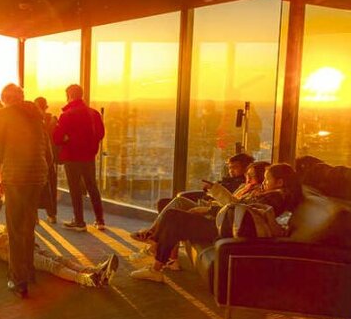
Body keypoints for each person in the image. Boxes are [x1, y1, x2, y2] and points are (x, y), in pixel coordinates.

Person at [130, 163, 302, 283]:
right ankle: (155, 257)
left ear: (279, 182)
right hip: (227, 223)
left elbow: (241, 211)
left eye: (267, 180)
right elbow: (240, 208)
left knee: (174, 217)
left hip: (229, 228)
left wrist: (209, 210)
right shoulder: (275, 195)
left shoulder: (275, 197)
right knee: (173, 214)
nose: (263, 183)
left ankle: (155, 261)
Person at [0, 83, 49, 298]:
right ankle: (29, 271)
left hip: (17, 174)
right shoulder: (35, 113)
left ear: (5, 98)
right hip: (38, 174)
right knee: (27, 224)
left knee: (14, 227)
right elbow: (46, 146)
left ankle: (18, 279)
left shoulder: (3, 114)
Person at [52, 84, 105, 232]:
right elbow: (100, 134)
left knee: (75, 188)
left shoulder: (66, 115)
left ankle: (79, 221)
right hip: (88, 156)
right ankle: (100, 220)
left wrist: (68, 139)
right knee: (92, 186)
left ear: (69, 96)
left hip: (72, 156)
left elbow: (57, 138)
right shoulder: (93, 113)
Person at [34, 96, 59, 224]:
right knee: (49, 188)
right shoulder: (52, 120)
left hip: (39, 159)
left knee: (36, 188)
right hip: (49, 159)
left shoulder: (35, 121)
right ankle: (51, 214)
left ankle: (35, 216)